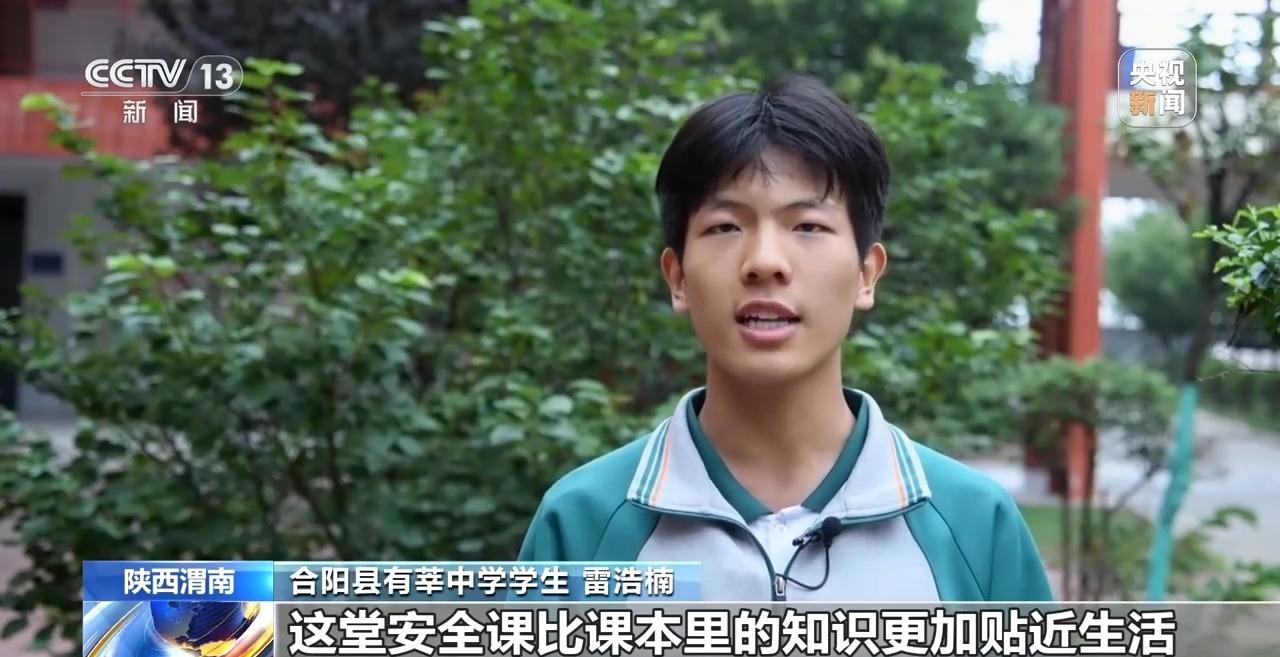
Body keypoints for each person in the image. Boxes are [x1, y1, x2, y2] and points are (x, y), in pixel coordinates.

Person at [517, 73, 1054, 601]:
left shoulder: (975, 527)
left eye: (808, 226)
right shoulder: (582, 524)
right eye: (725, 227)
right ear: (677, 278)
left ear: (866, 274)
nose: (765, 262)